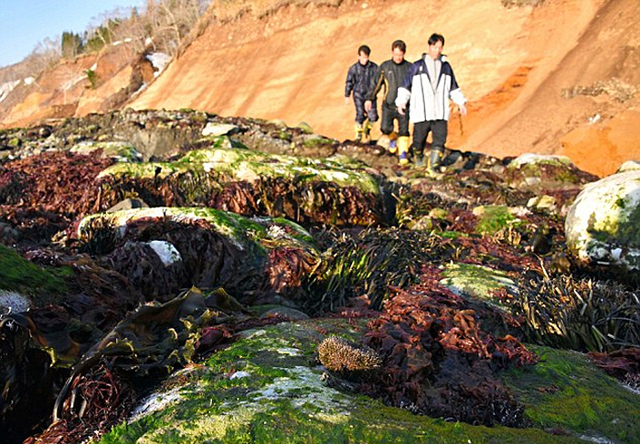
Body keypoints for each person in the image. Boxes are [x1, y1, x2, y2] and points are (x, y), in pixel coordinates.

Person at [396, 33, 467, 175]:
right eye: (435, 47)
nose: (437, 51)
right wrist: (401, 102)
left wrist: (461, 102)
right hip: (422, 112)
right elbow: (406, 86)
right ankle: (418, 158)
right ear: (429, 46)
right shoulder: (417, 67)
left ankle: (433, 167)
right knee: (418, 141)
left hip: (440, 112)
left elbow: (453, 87)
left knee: (440, 140)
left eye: (440, 48)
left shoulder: (446, 67)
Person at [365, 40, 412, 164]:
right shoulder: (385, 67)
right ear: (392, 52)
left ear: (404, 54)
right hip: (388, 105)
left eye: (400, 55)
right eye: (396, 54)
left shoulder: (409, 68)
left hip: (404, 106)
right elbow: (376, 84)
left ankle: (403, 153)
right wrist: (370, 98)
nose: (398, 57)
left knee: (404, 130)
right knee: (385, 128)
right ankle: (392, 138)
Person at [345, 45, 379, 143]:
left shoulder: (374, 68)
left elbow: (378, 81)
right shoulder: (354, 69)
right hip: (358, 94)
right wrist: (347, 95)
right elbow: (349, 82)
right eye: (362, 57)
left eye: (366, 57)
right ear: (358, 56)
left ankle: (367, 130)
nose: (364, 60)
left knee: (373, 116)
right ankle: (358, 134)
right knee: (360, 114)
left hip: (370, 95)